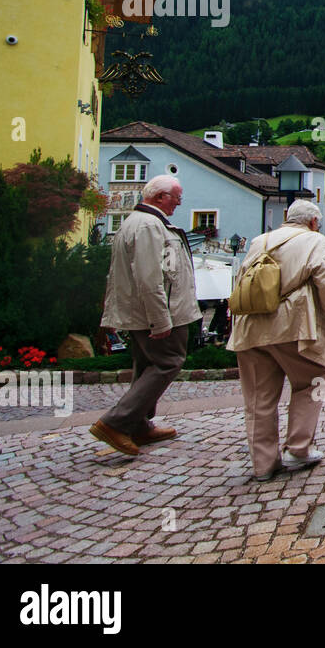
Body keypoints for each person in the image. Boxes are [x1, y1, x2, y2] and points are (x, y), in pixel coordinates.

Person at [228, 200, 325, 481]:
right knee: (314, 381)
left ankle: (263, 465)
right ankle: (298, 448)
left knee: (259, 398)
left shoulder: (261, 241)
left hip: (250, 327)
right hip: (292, 326)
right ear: (312, 223)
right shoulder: (315, 241)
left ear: (287, 218)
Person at [90, 175, 200, 457]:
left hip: (145, 311)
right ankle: (115, 423)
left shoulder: (140, 222)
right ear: (160, 196)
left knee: (146, 364)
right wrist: (160, 319)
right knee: (168, 362)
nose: (178, 202)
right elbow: (150, 278)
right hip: (161, 312)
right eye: (176, 197)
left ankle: (138, 425)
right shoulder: (150, 226)